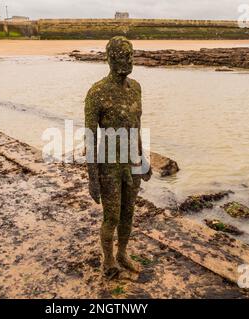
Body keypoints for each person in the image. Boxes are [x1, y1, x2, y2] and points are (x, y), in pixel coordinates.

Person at [85, 36, 152, 279]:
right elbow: (90, 138)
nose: (129, 60)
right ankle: (109, 261)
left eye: (131, 55)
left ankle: (123, 253)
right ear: (110, 59)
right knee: (111, 216)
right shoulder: (97, 93)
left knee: (129, 212)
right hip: (109, 164)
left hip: (132, 161)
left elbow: (137, 125)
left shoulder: (136, 88)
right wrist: (92, 177)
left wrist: (143, 159)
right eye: (123, 56)